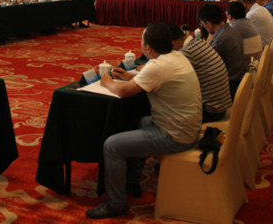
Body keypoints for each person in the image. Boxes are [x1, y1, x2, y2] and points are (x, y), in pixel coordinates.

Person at [86, 23, 201, 219]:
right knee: (135, 123)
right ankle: (132, 181)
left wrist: (107, 81)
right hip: (187, 127)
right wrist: (129, 76)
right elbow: (150, 79)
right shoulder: (177, 56)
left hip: (175, 135)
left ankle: (115, 203)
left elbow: (123, 92)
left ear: (148, 48)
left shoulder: (158, 66)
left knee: (111, 146)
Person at [165, 22, 231, 122]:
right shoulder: (199, 42)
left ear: (172, 43)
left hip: (210, 111)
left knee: (163, 107)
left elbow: (166, 76)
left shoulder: (186, 52)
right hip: (220, 106)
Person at [197, 3, 245, 99]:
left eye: (203, 25)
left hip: (229, 87)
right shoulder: (232, 31)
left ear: (208, 24)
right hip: (239, 80)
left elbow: (205, 62)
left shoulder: (221, 39)